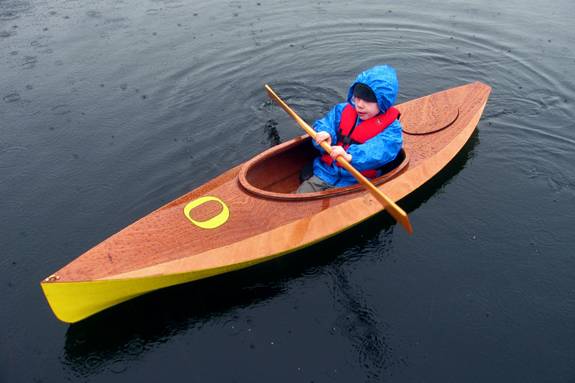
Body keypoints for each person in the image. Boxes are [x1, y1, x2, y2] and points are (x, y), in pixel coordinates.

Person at [296, 65, 403, 193]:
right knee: (299, 201)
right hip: (325, 172)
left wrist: (351, 156)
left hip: (357, 183)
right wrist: (325, 133)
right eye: (358, 97)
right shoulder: (342, 110)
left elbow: (379, 151)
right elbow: (326, 123)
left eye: (368, 100)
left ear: (383, 102)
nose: (359, 105)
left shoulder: (392, 130)